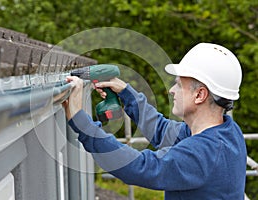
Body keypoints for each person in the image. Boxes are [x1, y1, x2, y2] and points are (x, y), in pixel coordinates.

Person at [63, 43, 247, 199]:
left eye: (178, 84)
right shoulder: (227, 131)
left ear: (200, 95)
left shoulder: (203, 153)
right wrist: (127, 93)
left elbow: (139, 167)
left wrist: (81, 120)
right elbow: (161, 131)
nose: (171, 90)